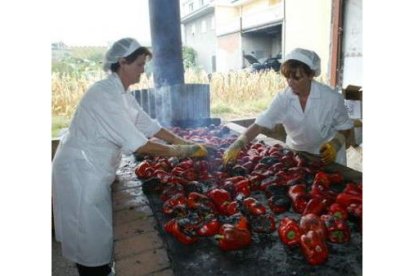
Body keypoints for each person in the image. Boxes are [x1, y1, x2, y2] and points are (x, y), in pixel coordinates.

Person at [52, 37, 207, 276]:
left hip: (93, 168)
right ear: (122, 62)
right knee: (88, 235)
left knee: (95, 232)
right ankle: (95, 272)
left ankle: (101, 269)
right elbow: (139, 144)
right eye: (139, 65)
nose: (143, 71)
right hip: (80, 171)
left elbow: (149, 125)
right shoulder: (104, 95)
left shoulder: (123, 93)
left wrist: (184, 142)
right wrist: (182, 152)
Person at [223, 48, 354, 166]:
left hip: (328, 156)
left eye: (297, 78)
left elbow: (345, 127)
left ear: (310, 75)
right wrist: (238, 144)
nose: (290, 82)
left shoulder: (331, 98)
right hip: (297, 154)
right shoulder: (283, 98)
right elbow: (259, 125)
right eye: (287, 77)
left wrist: (335, 144)